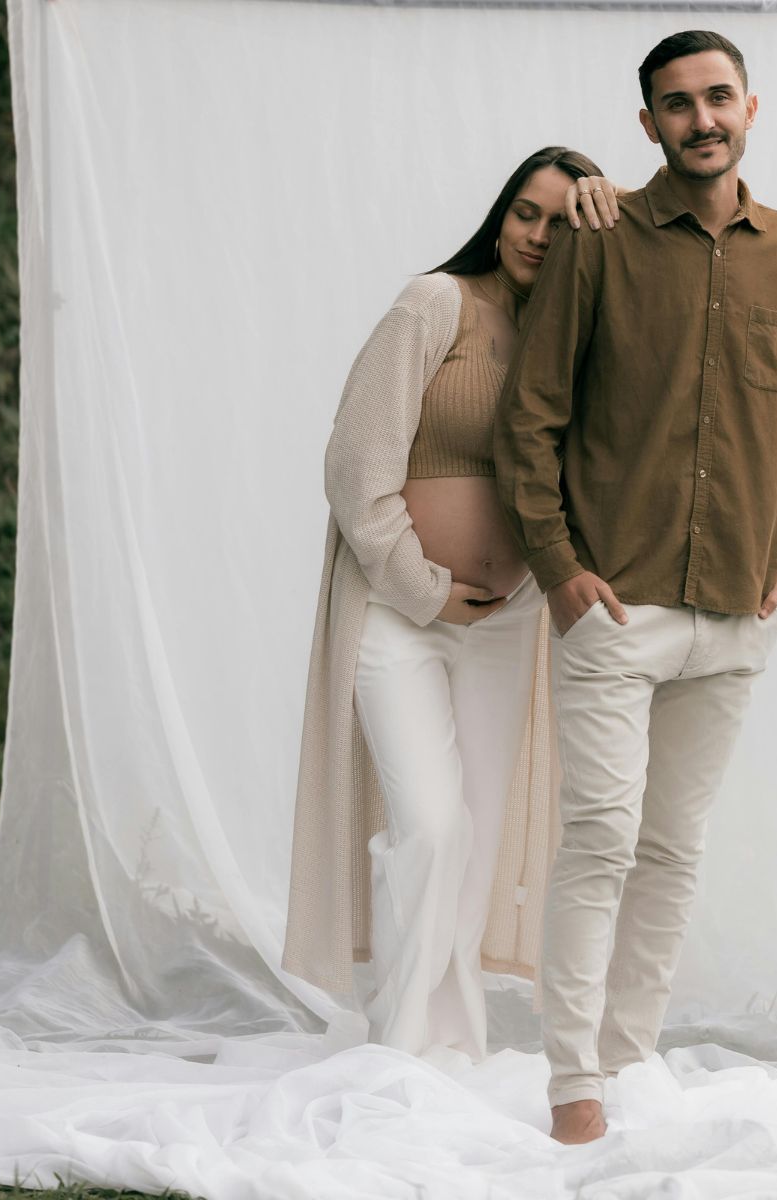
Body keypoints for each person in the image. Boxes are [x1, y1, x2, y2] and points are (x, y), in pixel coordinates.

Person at [494, 31, 777, 1143]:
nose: (702, 119)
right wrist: (558, 569)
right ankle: (571, 1087)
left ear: (751, 107)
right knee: (600, 838)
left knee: (674, 851)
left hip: (738, 612)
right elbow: (530, 417)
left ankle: (630, 1058)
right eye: (677, 105)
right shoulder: (599, 241)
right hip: (616, 604)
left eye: (718, 98)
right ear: (647, 125)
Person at [280, 148, 620, 1064]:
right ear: (499, 215)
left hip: (507, 624)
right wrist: (430, 591)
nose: (540, 236)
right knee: (429, 827)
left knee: (470, 838)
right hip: (401, 612)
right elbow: (354, 471)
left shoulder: (576, 341)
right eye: (526, 213)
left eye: (563, 221)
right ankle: (398, 1051)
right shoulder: (435, 305)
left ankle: (453, 1047)